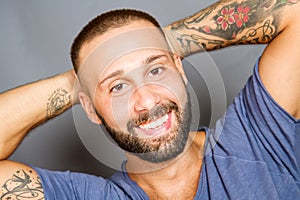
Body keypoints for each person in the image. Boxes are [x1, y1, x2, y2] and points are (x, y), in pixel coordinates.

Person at [0, 0, 299, 199]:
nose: (145, 100)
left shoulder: (259, 138)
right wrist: (80, 78)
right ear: (90, 108)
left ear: (178, 68)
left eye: (156, 69)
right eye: (117, 86)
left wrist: (159, 39)